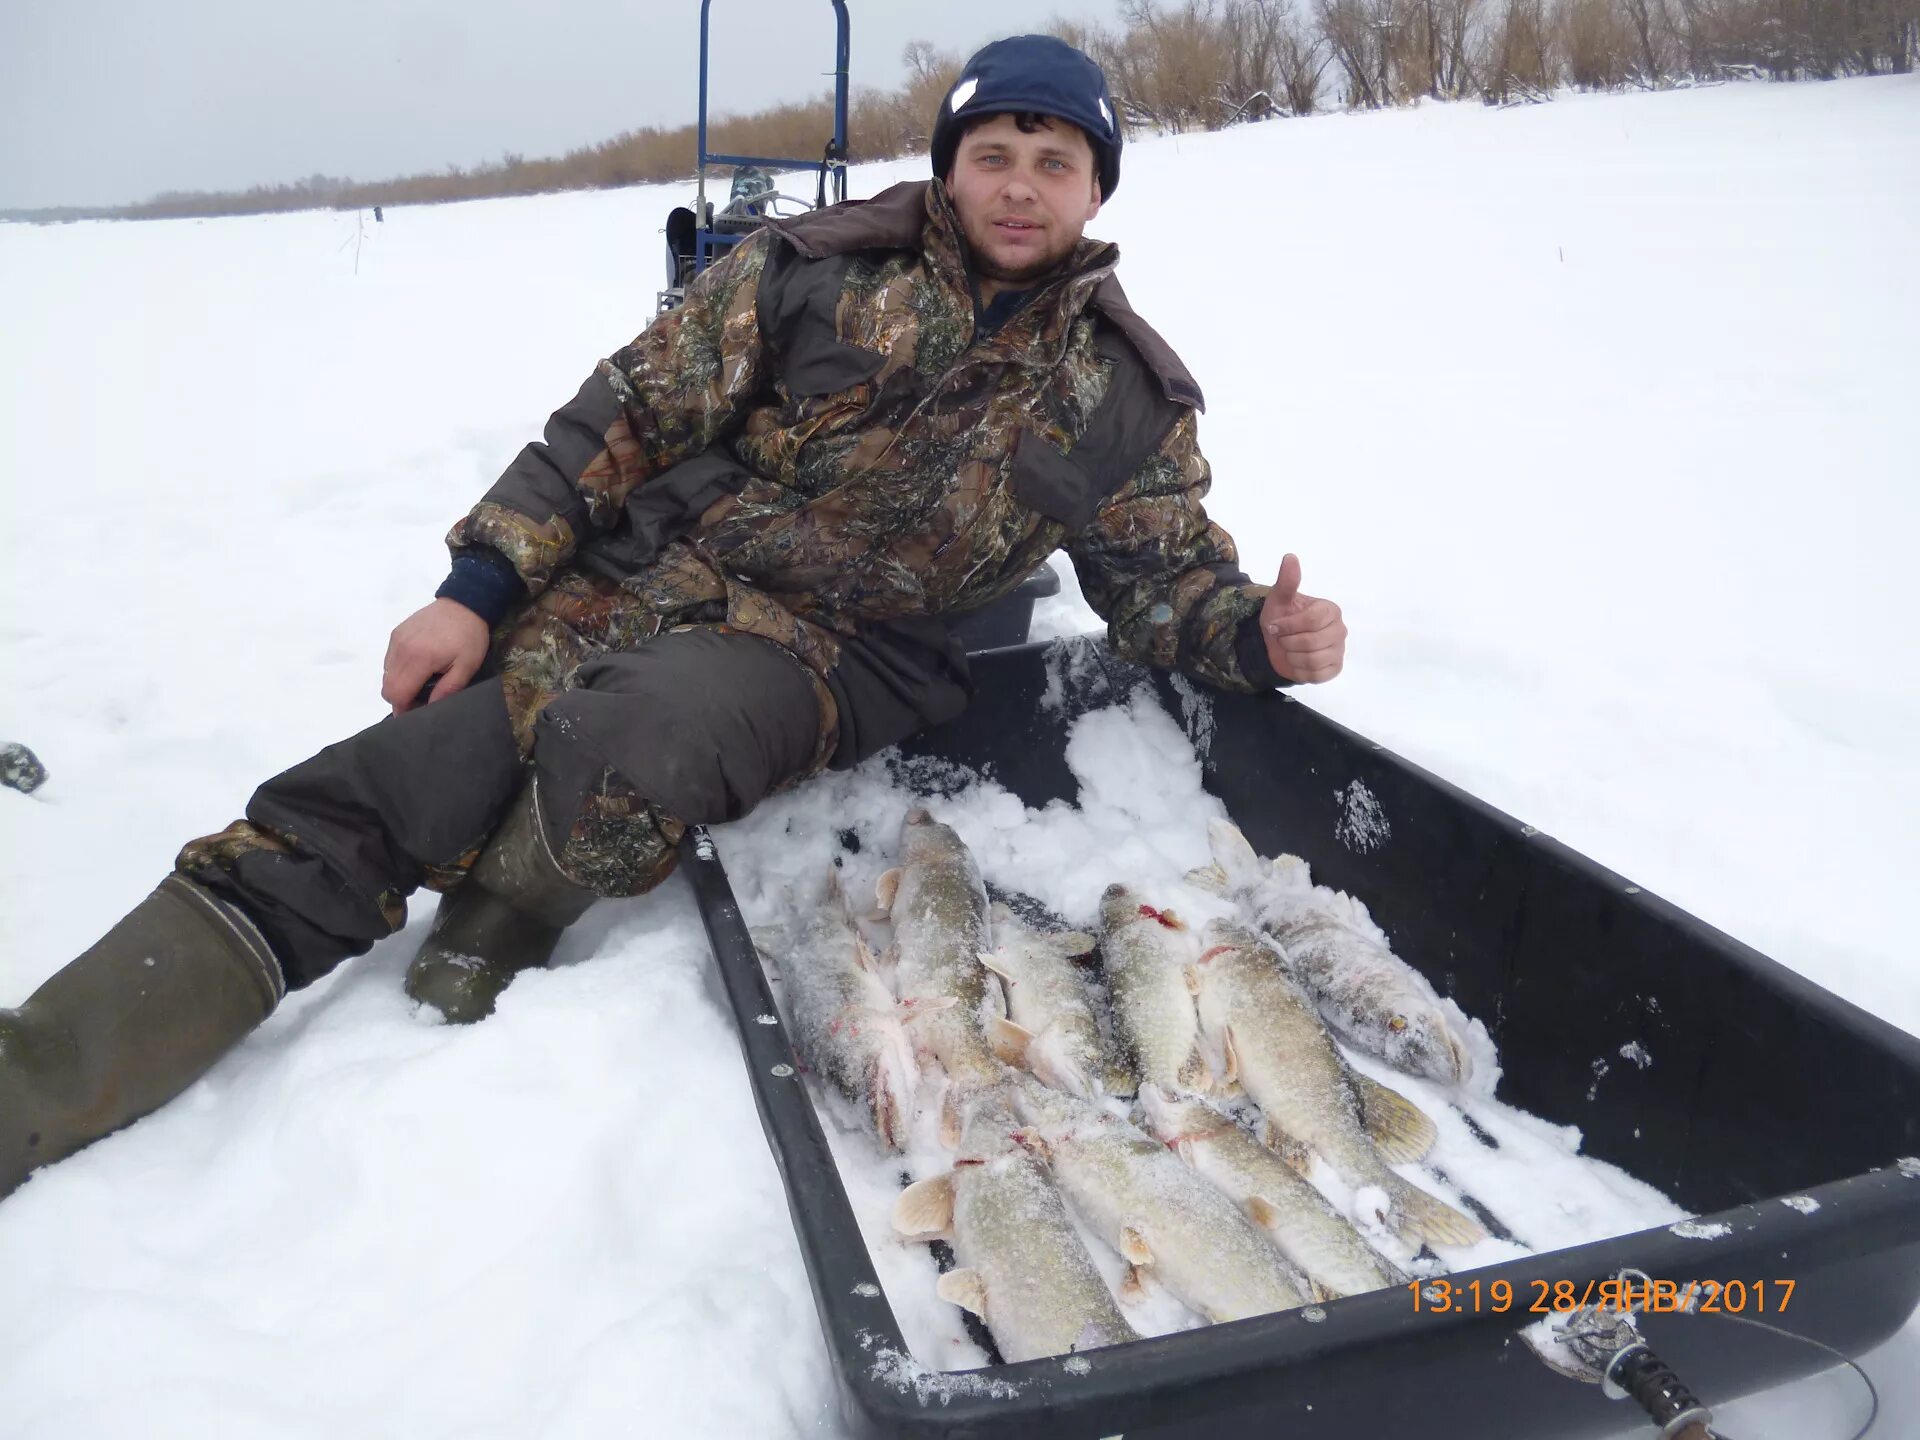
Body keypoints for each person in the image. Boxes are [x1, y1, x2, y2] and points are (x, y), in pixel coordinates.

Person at [0, 35, 1345, 1200]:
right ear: (951, 162)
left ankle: (486, 941)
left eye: (1056, 164)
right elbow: (623, 420)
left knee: (632, 734)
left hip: (837, 659)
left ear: (1098, 189)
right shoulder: (809, 272)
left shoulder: (1125, 394)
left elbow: (1161, 584)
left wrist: (1255, 639)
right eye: (996, 151)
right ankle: (33, 1086)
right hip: (636, 587)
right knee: (363, 793)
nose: (1020, 185)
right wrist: (473, 592)